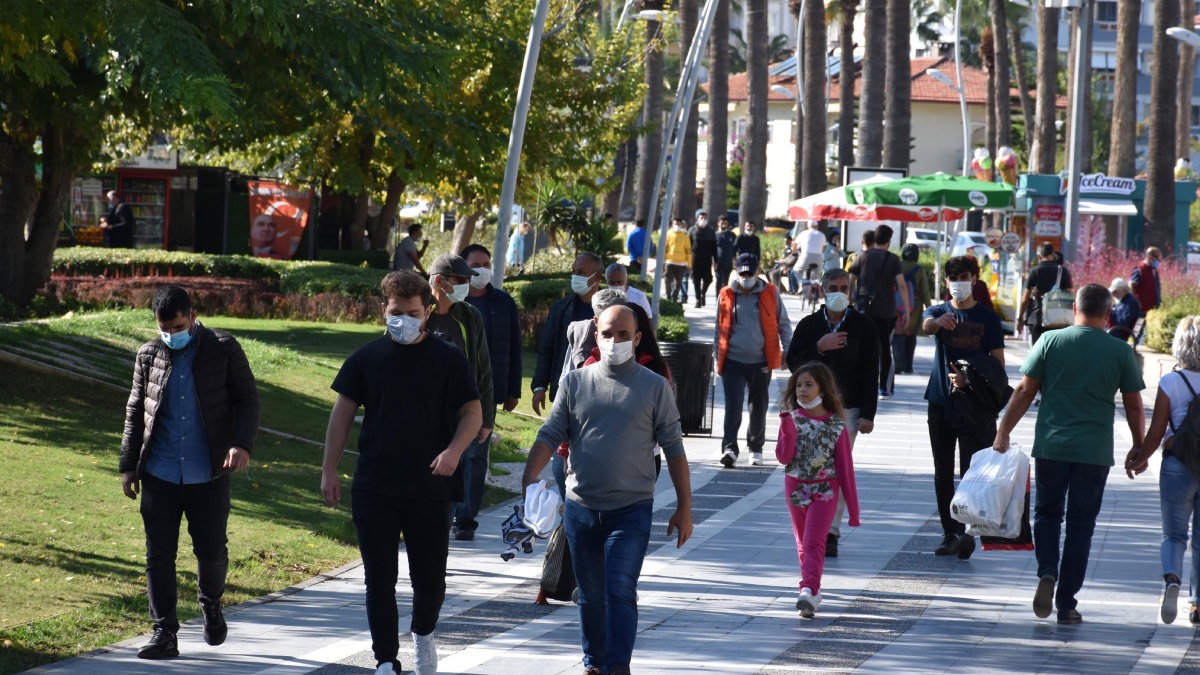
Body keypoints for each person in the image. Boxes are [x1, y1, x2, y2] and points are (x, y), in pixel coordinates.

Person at [322, 271, 483, 675]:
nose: (405, 320)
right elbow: (342, 414)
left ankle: (424, 635)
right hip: (375, 485)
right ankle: (386, 660)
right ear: (383, 310)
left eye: (413, 313)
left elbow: (472, 412)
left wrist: (453, 450)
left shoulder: (448, 358)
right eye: (397, 313)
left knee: (429, 580)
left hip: (431, 486)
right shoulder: (365, 359)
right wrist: (329, 469)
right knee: (379, 579)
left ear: (428, 312)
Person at [521, 305, 693, 675]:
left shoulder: (654, 386)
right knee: (590, 594)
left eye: (624, 335)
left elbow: (675, 449)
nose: (615, 341)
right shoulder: (574, 383)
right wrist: (529, 478)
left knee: (618, 589)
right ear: (595, 333)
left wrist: (685, 508)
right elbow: (550, 433)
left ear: (637, 338)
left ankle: (617, 666)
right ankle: (593, 663)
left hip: (631, 510)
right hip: (581, 508)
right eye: (608, 333)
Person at [119, 285, 261, 659]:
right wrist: (127, 466)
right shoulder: (148, 355)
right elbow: (136, 411)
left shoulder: (223, 348)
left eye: (178, 325)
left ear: (193, 315)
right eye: (164, 327)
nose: (171, 334)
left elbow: (248, 400)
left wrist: (241, 444)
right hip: (160, 474)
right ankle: (164, 632)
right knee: (158, 555)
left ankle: (211, 603)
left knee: (211, 552)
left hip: (209, 474)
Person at [993, 284, 1145, 625]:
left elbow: (1024, 390)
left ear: (1074, 307)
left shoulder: (1049, 341)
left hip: (1052, 446)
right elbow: (1134, 405)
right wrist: (1139, 446)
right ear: (1108, 314)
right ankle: (1067, 603)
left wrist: (1003, 431)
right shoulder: (1120, 351)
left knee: (1047, 516)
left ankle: (1048, 570)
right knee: (1081, 527)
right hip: (1094, 452)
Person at [785, 268, 878, 556]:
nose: (840, 292)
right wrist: (819, 347)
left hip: (847, 411)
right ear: (823, 290)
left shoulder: (863, 326)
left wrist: (868, 414)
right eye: (834, 287)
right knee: (810, 468)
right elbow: (793, 363)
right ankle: (809, 524)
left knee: (836, 469)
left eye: (844, 287)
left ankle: (831, 532)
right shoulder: (810, 325)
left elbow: (871, 371)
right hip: (811, 412)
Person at [921, 255, 1006, 560]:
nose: (959, 282)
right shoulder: (939, 311)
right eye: (953, 277)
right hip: (941, 402)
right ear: (946, 281)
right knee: (942, 471)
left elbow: (998, 365)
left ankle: (966, 530)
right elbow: (926, 323)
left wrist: (969, 377)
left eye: (964, 276)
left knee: (970, 471)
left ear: (974, 279)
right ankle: (949, 533)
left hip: (974, 407)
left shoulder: (987, 318)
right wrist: (937, 322)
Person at [1128, 316, 1200, 625]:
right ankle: (1197, 604)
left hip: (1177, 464)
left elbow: (1157, 432)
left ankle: (1172, 579)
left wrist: (1140, 457)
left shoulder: (1172, 382)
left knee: (1173, 535)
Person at [775, 361, 860, 618]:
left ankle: (808, 588)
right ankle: (813, 592)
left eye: (808, 384)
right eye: (798, 385)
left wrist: (853, 511)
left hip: (825, 491)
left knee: (814, 540)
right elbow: (783, 456)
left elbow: (846, 469)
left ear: (822, 388)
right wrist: (787, 428)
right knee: (803, 543)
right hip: (796, 488)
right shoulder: (792, 419)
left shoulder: (836, 425)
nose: (802, 390)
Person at [423, 254, 495, 541]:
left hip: (467, 407)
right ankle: (435, 517)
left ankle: (464, 519)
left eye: (468, 280)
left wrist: (487, 418)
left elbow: (485, 369)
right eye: (461, 280)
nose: (466, 285)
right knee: (434, 465)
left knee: (473, 461)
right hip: (428, 410)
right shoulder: (418, 311)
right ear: (439, 281)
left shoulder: (469, 315)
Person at [459, 244, 523, 539]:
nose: (482, 269)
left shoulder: (503, 303)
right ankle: (444, 510)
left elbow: (513, 347)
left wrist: (513, 389)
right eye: (476, 264)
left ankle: (465, 519)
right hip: (449, 393)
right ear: (463, 266)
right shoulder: (451, 302)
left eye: (487, 264)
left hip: (485, 391)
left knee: (475, 455)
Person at [717, 253, 793, 468]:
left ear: (758, 271)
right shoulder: (726, 294)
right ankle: (729, 448)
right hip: (733, 359)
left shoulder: (770, 293)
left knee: (758, 406)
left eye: (750, 272)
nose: (746, 276)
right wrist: (717, 356)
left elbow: (783, 324)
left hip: (761, 360)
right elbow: (718, 328)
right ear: (737, 271)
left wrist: (787, 350)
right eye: (743, 272)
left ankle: (756, 447)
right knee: (733, 405)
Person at [848, 225, 910, 399]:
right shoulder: (893, 259)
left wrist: (851, 298)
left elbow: (851, 279)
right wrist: (906, 311)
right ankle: (885, 387)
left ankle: (861, 384)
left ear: (874, 239)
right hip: (887, 312)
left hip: (864, 311)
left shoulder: (862, 256)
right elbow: (902, 286)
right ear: (889, 241)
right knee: (885, 349)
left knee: (863, 348)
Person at [558, 288, 629, 395]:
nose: (614, 339)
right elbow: (567, 378)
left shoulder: (631, 338)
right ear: (596, 321)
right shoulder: (580, 333)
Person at [1018, 243, 1073, 344]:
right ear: (1053, 254)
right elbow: (1069, 296)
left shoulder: (1035, 271)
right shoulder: (1062, 271)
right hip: (1058, 320)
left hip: (1037, 318)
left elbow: (1025, 297)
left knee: (1038, 353)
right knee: (1056, 353)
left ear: (1039, 256)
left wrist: (1020, 318)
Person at [893, 243, 932, 375]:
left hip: (896, 306)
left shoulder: (896, 266)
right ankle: (908, 366)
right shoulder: (919, 269)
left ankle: (898, 365)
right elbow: (925, 292)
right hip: (914, 307)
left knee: (898, 335)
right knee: (911, 335)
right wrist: (930, 310)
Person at [689, 211, 717, 308]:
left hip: (707, 259)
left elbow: (714, 247)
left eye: (705, 218)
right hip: (695, 259)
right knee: (696, 280)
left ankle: (702, 293)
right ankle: (698, 300)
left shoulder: (711, 231)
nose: (703, 220)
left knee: (708, 279)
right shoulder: (692, 230)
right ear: (697, 219)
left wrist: (715, 261)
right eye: (701, 218)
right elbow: (688, 246)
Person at [665, 217, 692, 303]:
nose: (677, 225)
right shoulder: (668, 234)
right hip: (669, 262)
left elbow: (688, 251)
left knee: (678, 283)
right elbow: (665, 248)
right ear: (672, 225)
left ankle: (675, 299)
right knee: (667, 280)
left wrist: (689, 265)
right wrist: (662, 260)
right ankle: (668, 295)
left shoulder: (685, 236)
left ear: (681, 225)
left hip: (681, 264)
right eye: (675, 224)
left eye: (678, 224)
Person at [792, 221, 827, 287]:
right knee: (818, 274)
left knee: (796, 270)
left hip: (806, 256)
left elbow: (795, 244)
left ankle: (802, 282)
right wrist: (820, 252)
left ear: (808, 226)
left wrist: (794, 252)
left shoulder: (803, 233)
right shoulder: (822, 234)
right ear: (817, 226)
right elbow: (824, 247)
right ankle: (818, 283)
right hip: (818, 257)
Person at [1130, 246, 1163, 317]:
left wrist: (1160, 300)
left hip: (1154, 309)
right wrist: (1137, 302)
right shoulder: (1140, 270)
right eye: (1157, 257)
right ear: (1150, 257)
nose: (1158, 260)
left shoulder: (1154, 270)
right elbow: (1131, 285)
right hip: (1143, 310)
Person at [714, 216, 738, 292]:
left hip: (728, 263)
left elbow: (735, 248)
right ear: (718, 223)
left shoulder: (732, 235)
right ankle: (718, 298)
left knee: (726, 282)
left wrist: (735, 260)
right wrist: (713, 262)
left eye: (725, 223)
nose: (723, 224)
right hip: (718, 262)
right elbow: (712, 249)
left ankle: (724, 299)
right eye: (722, 223)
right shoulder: (715, 235)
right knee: (719, 280)